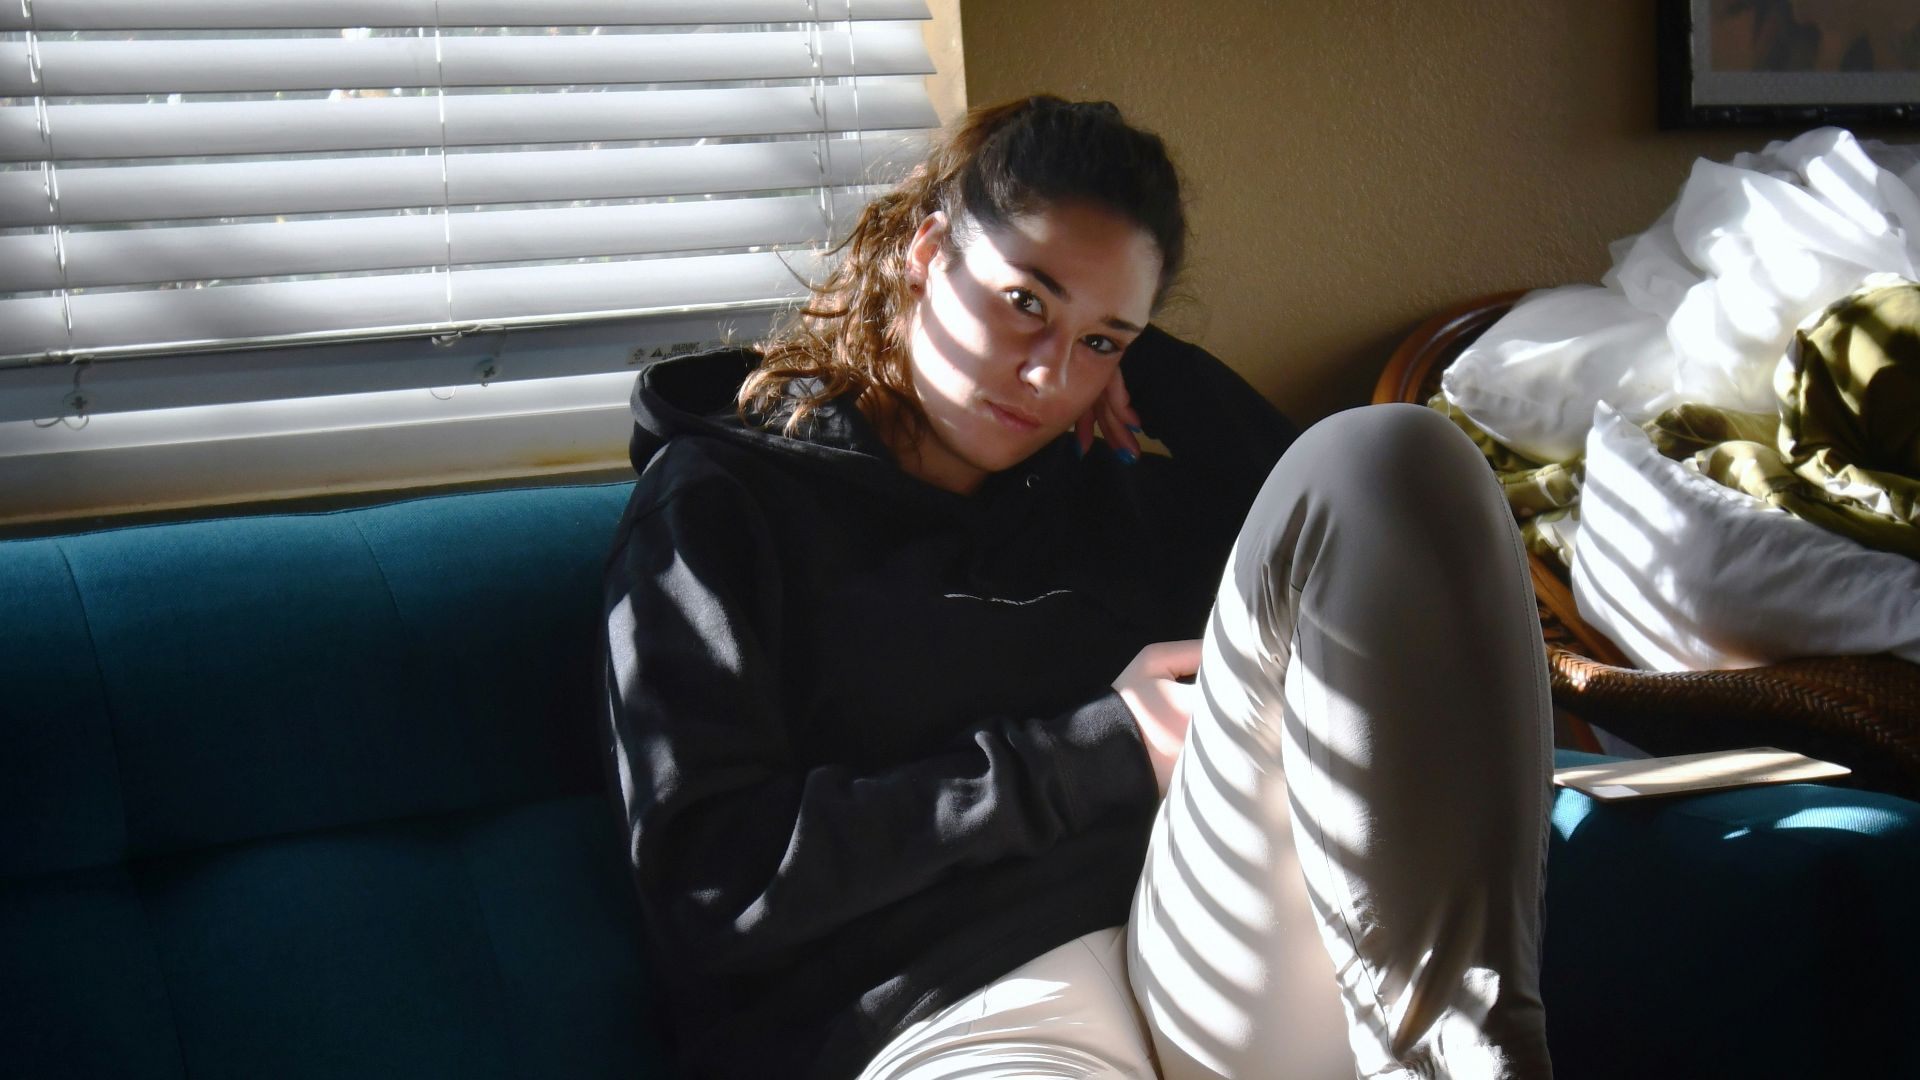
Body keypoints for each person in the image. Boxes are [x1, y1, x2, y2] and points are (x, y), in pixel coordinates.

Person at [602, 95, 1554, 1079]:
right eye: (1026, 302)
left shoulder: (1104, 484)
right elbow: (712, 888)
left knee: (1394, 446)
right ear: (926, 252)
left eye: (1102, 340)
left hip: (1197, 937)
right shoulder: (721, 504)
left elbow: (1365, 546)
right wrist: (1094, 749)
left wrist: (1161, 371)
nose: (1046, 376)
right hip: (936, 1009)